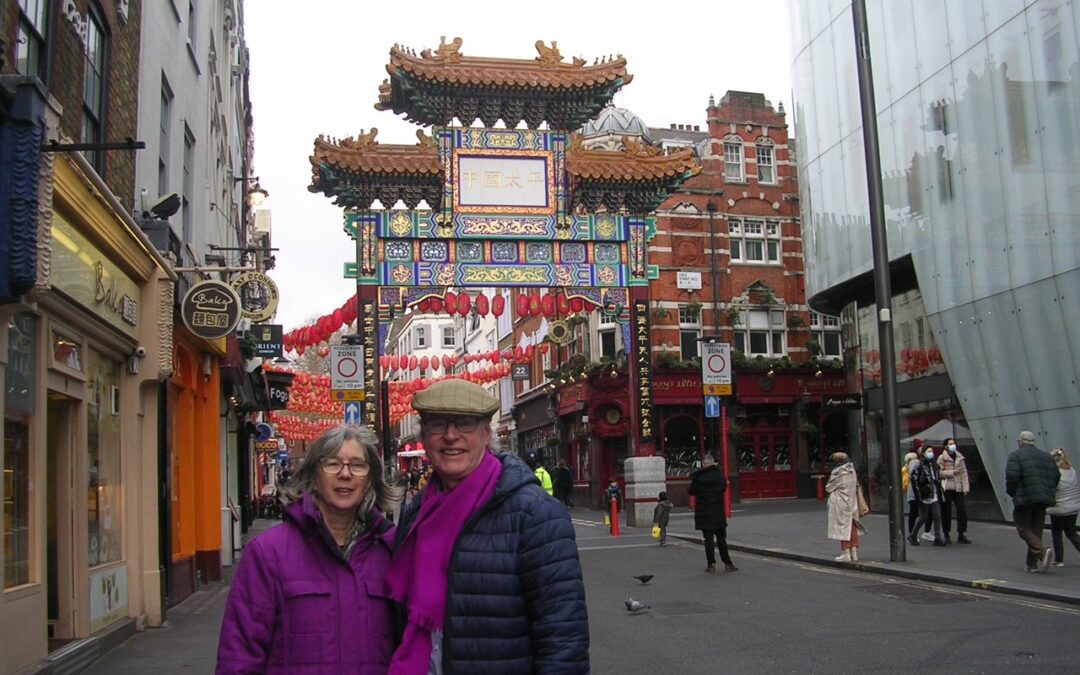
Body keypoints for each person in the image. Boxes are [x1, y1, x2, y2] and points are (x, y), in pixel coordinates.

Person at [391, 379, 589, 674]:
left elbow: (562, 638)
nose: (450, 436)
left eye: (465, 424)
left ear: (486, 434)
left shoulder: (535, 514)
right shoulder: (415, 514)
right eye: (437, 425)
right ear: (425, 437)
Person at [216, 425, 398, 674]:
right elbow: (240, 655)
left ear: (370, 480)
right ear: (313, 475)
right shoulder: (268, 553)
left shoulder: (391, 550)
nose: (345, 474)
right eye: (332, 463)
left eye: (357, 465)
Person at [1005, 430, 1061, 573]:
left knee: (1022, 527)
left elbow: (1012, 476)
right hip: (1042, 498)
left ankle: (1043, 552)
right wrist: (1048, 490)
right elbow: (1056, 475)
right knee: (1036, 530)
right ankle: (1032, 565)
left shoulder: (1015, 456)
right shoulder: (1046, 457)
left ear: (1021, 441)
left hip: (1025, 498)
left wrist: (1012, 492)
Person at [688, 454, 737, 573]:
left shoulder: (698, 478)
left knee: (708, 539)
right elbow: (723, 488)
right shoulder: (720, 477)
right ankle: (728, 563)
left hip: (704, 512)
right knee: (721, 539)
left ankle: (711, 564)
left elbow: (691, 491)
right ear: (713, 463)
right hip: (718, 512)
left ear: (704, 464)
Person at [826, 452, 864, 561]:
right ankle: (854, 552)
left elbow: (828, 488)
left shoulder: (838, 473)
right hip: (852, 502)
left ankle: (845, 553)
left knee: (843, 528)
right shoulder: (853, 471)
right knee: (852, 527)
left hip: (840, 503)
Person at [1047, 448, 1080, 568]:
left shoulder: (1055, 473)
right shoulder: (1072, 470)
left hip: (1059, 508)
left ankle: (1059, 560)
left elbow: (1051, 489)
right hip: (1073, 507)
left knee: (1056, 533)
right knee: (1071, 532)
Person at [908, 445, 947, 547]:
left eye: (932, 451)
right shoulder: (919, 466)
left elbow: (937, 478)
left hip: (934, 493)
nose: (931, 453)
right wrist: (919, 496)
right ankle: (913, 535)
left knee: (937, 515)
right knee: (923, 517)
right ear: (924, 453)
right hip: (925, 495)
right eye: (929, 451)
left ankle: (938, 537)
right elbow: (915, 481)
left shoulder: (934, 465)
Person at [937, 437, 972, 544]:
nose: (953, 445)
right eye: (950, 444)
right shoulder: (942, 458)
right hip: (947, 487)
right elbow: (938, 473)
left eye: (954, 443)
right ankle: (946, 533)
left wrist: (965, 488)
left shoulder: (959, 457)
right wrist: (951, 472)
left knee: (962, 511)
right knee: (946, 511)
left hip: (958, 487)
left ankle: (962, 533)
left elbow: (964, 473)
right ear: (946, 446)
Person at [904, 447, 921, 537]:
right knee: (916, 513)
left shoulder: (909, 462)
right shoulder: (915, 462)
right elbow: (915, 475)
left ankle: (912, 532)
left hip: (912, 492)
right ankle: (912, 533)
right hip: (915, 492)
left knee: (913, 513)